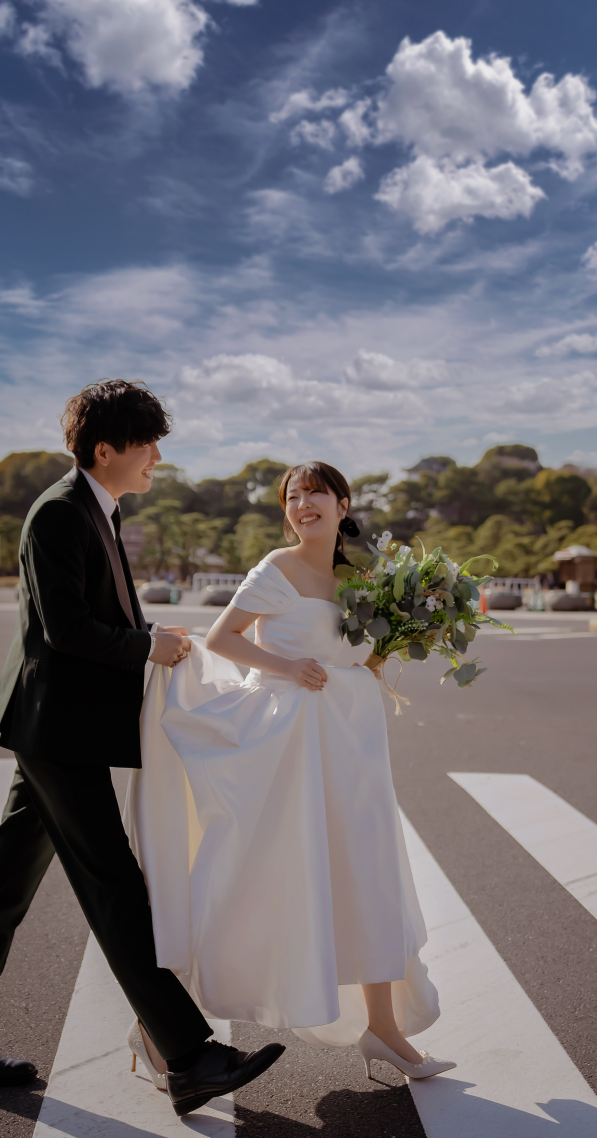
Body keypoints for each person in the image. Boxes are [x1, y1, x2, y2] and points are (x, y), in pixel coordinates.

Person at [0, 380, 284, 1115]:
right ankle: (189, 1055)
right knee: (114, 886)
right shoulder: (61, 514)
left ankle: (185, 1053)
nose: (158, 455)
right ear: (106, 449)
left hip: (56, 728)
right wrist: (147, 646)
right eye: (148, 442)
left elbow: (98, 617)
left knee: (1, 893)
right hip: (56, 730)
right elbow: (66, 631)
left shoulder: (95, 510)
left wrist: (148, 636)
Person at [125, 461, 455, 1085]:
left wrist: (402, 638)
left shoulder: (360, 579)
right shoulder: (275, 567)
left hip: (351, 742)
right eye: (293, 497)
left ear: (342, 503)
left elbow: (366, 652)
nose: (304, 504)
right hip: (287, 745)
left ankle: (384, 1030)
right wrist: (287, 665)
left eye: (316, 494)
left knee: (369, 872)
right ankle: (159, 1025)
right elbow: (223, 638)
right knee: (251, 881)